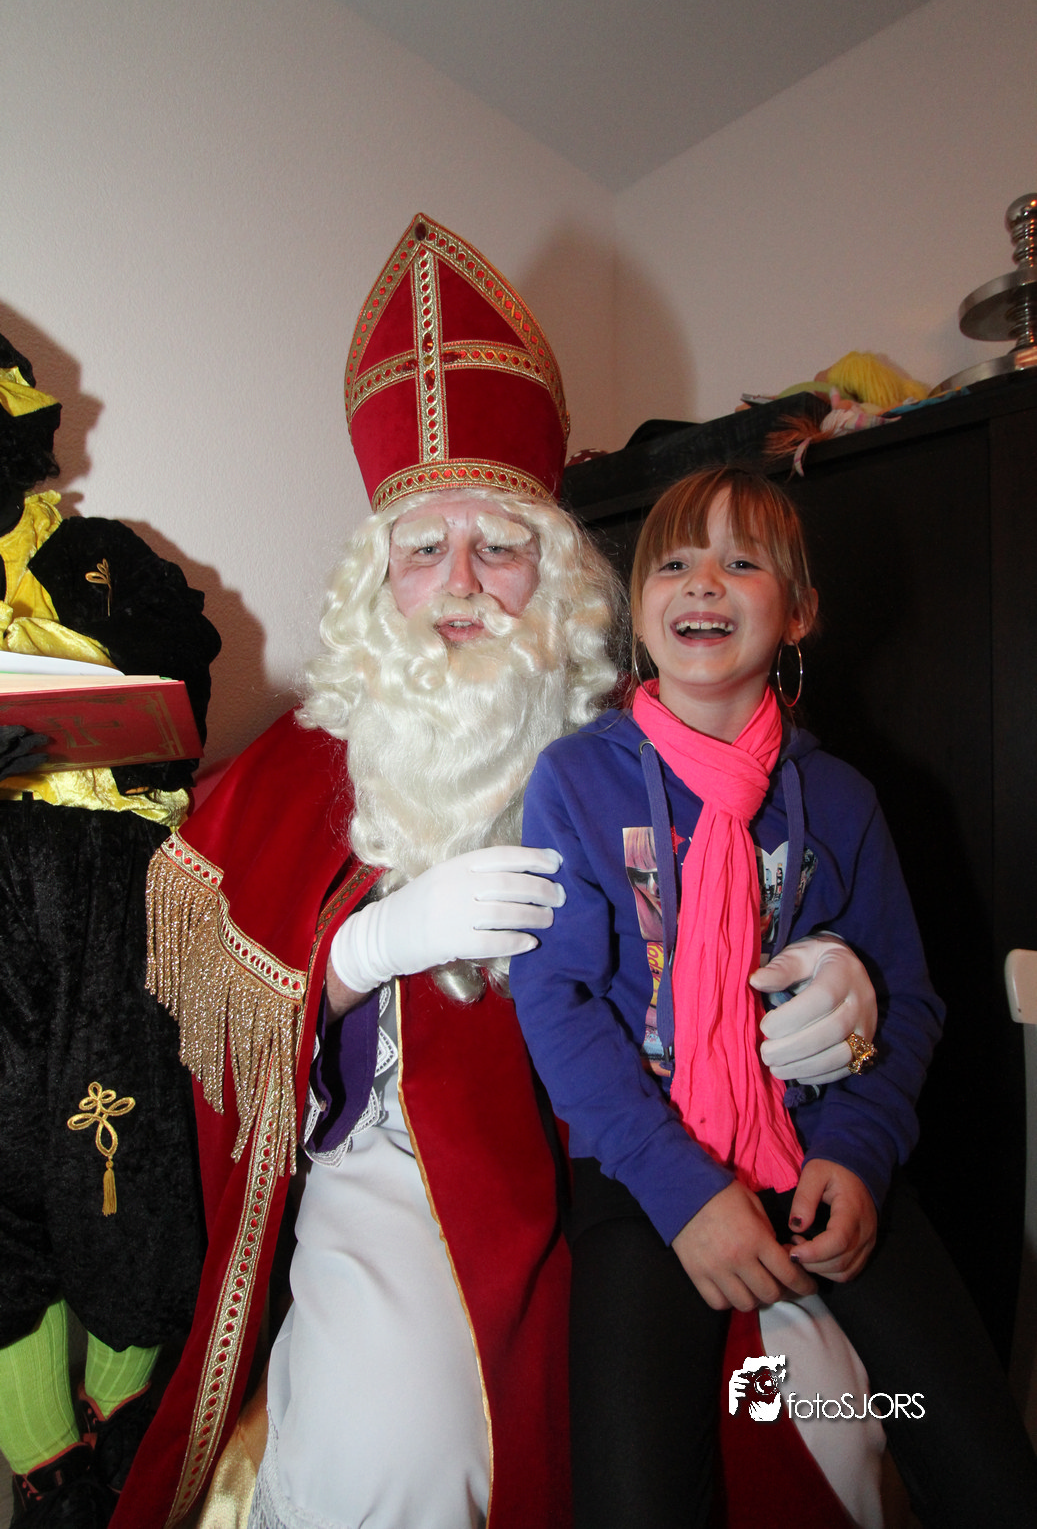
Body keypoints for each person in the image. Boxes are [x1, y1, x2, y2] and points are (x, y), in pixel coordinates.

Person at [112, 219, 884, 1529]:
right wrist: (361, 951)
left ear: (559, 573)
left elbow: (782, 909)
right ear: (377, 579)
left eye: (499, 545)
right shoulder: (289, 769)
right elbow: (199, 1039)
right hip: (400, 1165)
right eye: (423, 548)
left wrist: (838, 989)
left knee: (836, 1424)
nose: (461, 584)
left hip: (660, 1147)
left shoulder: (651, 739)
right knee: (394, 1462)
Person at [510, 464, 1037, 1529]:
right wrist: (682, 1193)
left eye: (741, 561)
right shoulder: (575, 780)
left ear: (797, 612)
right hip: (641, 1172)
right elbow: (558, 1000)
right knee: (632, 1496)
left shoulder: (838, 797)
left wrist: (858, 1149)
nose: (702, 581)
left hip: (819, 1152)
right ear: (638, 611)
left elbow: (907, 1000)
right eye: (672, 562)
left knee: (985, 1468)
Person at [0, 331, 220, 1528]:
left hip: (110, 885)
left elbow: (189, 670)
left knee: (126, 1150)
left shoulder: (101, 554)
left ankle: (126, 1413)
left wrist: (131, 697)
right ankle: (45, 1459)